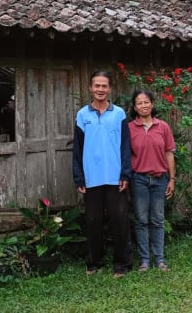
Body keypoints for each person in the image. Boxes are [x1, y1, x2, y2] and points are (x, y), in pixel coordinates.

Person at [72, 70, 133, 277]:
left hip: (116, 177)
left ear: (110, 89)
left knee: (119, 220)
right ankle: (94, 262)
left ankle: (122, 264)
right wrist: (79, 176)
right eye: (96, 85)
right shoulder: (82, 115)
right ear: (90, 88)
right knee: (93, 221)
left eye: (104, 86)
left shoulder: (119, 114)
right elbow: (78, 149)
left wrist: (125, 174)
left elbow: (125, 146)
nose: (100, 89)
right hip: (92, 178)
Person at [128, 88, 176, 272]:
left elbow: (169, 153)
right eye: (139, 103)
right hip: (138, 179)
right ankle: (145, 261)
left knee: (157, 219)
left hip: (160, 179)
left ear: (152, 104)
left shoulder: (162, 127)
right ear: (135, 107)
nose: (143, 106)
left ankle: (160, 259)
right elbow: (125, 155)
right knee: (140, 220)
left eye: (146, 102)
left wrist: (171, 179)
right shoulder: (130, 128)